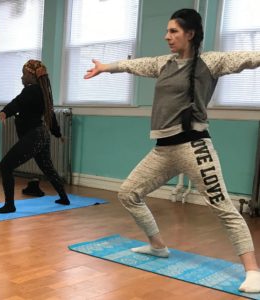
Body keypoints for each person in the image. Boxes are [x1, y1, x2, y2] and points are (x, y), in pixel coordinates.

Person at [84, 8, 260, 294]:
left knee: (223, 206)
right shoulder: (163, 63)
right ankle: (158, 246)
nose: (167, 36)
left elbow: (248, 59)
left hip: (195, 147)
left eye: (173, 31)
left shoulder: (210, 62)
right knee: (128, 193)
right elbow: (135, 65)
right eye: (167, 31)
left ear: (190, 34)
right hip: (163, 150)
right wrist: (106, 67)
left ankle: (253, 270)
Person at [0, 59, 70, 214]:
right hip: (42, 134)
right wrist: (57, 133)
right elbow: (50, 115)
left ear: (30, 75)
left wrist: (4, 112)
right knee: (47, 168)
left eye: (23, 74)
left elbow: (17, 103)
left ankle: (10, 205)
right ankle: (64, 198)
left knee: (5, 166)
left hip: (35, 135)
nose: (21, 78)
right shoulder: (43, 91)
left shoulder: (30, 90)